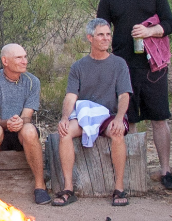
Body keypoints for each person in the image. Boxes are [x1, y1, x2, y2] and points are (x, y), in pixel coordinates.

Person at [96, 0, 172, 190]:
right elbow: (101, 28)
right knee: (126, 120)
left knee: (159, 118)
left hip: (154, 67)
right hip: (123, 68)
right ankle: (129, 174)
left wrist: (150, 31)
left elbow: (170, 24)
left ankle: (166, 171)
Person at [54, 19, 132, 207]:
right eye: (100, 35)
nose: (106, 38)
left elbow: (124, 95)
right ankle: (68, 188)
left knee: (117, 132)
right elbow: (71, 96)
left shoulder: (119, 64)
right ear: (90, 38)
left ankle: (119, 188)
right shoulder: (78, 66)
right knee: (64, 133)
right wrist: (65, 117)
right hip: (85, 114)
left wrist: (120, 118)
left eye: (108, 34)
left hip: (109, 115)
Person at [0, 43, 50, 205]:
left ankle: (40, 186)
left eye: (25, 57)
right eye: (19, 57)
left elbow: (27, 117)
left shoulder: (33, 82)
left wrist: (19, 122)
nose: (24, 61)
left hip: (20, 132)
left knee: (30, 130)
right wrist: (8, 122)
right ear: (5, 61)